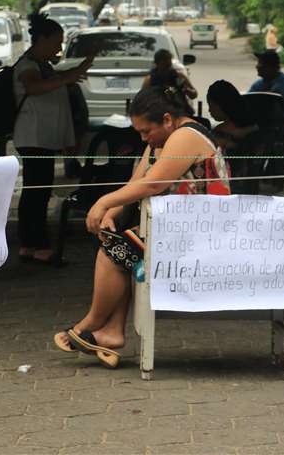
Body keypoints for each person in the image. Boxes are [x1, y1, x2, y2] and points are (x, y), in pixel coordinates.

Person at [52, 86, 231, 367]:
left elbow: (154, 183)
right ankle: (110, 332)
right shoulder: (161, 139)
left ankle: (92, 323)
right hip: (178, 229)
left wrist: (102, 202)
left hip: (203, 234)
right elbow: (137, 182)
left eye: (146, 131)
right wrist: (113, 209)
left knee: (113, 253)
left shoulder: (186, 136)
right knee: (117, 244)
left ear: (168, 119)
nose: (143, 137)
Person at [14, 13, 94, 265]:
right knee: (37, 192)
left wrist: (80, 67)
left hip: (42, 138)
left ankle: (30, 244)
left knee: (36, 191)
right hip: (33, 137)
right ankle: (37, 245)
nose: (59, 48)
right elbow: (33, 87)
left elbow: (56, 79)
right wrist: (68, 78)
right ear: (43, 39)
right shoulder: (28, 65)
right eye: (56, 42)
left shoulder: (43, 66)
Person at [248, 50, 284, 137]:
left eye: (261, 63)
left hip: (279, 127)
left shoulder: (283, 81)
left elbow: (269, 101)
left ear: (272, 67)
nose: (257, 66)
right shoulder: (259, 83)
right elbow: (246, 100)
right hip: (262, 124)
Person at [207, 79, 258, 151]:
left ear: (221, 105)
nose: (209, 110)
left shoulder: (220, 132)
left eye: (211, 105)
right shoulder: (255, 126)